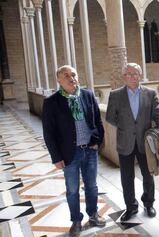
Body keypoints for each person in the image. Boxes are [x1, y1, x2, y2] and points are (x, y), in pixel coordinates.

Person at [42, 65, 105, 237]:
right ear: (59, 80)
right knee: (72, 189)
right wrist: (56, 157)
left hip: (89, 151)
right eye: (66, 75)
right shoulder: (51, 102)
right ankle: (76, 220)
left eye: (73, 74)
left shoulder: (87, 95)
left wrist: (97, 142)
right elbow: (49, 133)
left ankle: (93, 215)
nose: (71, 78)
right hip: (69, 154)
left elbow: (98, 122)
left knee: (92, 186)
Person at [106, 63, 159, 221]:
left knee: (148, 175)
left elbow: (158, 116)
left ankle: (148, 203)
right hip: (125, 142)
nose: (132, 77)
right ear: (124, 77)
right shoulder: (115, 95)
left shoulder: (150, 93)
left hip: (145, 142)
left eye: (135, 74)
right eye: (129, 74)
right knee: (127, 177)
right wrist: (126, 126)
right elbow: (110, 117)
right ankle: (131, 207)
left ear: (140, 75)